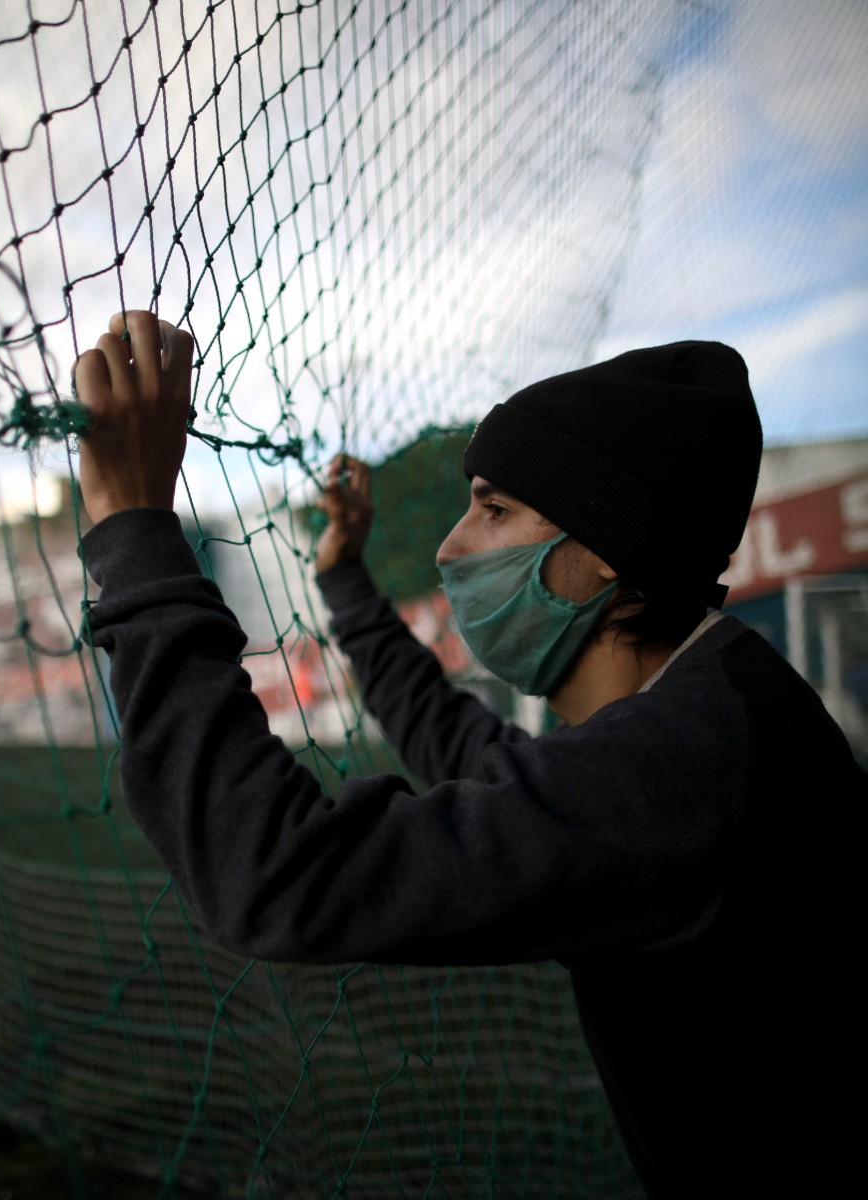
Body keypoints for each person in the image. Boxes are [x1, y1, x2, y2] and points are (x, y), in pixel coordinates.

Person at [71, 311, 862, 1198]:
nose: (451, 546)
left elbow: (273, 872)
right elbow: (476, 755)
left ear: (606, 554)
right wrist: (345, 582)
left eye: (493, 509)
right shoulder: (712, 702)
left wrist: (136, 532)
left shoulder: (681, 764)